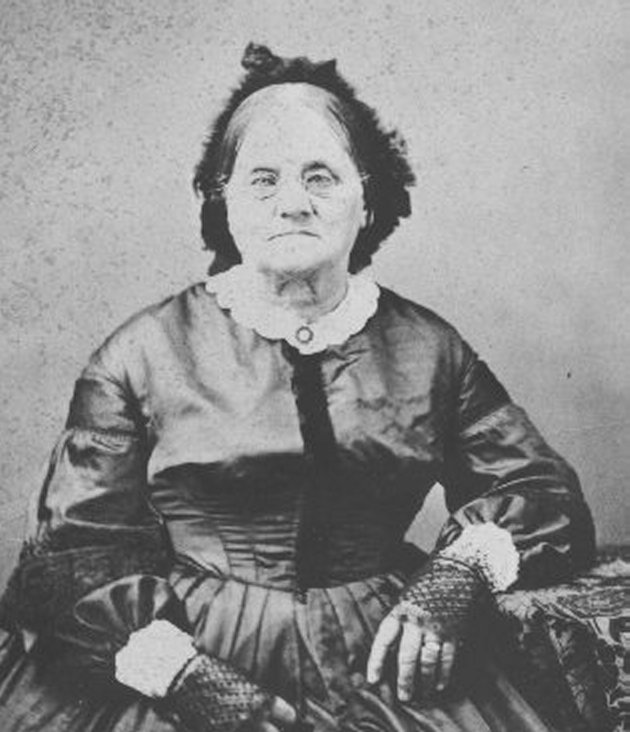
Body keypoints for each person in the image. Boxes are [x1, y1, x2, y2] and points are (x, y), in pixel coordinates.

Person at [0, 43, 596, 732]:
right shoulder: (141, 351)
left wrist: (456, 576)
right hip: (187, 655)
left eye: (321, 177)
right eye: (263, 180)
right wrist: (181, 675)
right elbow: (72, 557)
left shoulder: (430, 347)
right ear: (222, 200)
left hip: (385, 658)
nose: (293, 203)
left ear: (367, 199)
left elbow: (542, 494)